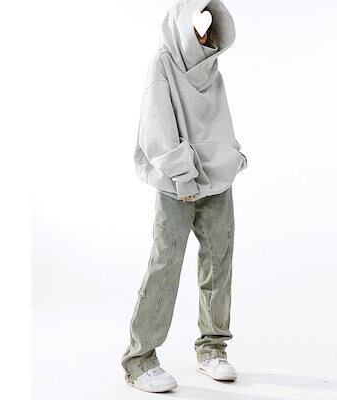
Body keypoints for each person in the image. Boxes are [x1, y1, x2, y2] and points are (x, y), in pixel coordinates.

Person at [121, 0, 247, 393]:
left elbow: (219, 122)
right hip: (177, 183)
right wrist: (183, 176)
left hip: (217, 181)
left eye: (210, 23)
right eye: (197, 22)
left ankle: (213, 349)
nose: (204, 32)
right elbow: (156, 126)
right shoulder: (162, 63)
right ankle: (139, 360)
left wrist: (233, 156)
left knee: (219, 263)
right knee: (165, 265)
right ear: (180, 23)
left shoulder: (212, 68)